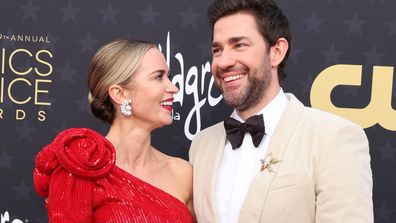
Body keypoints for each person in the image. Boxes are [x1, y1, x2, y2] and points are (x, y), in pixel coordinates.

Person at [189, 0, 373, 222]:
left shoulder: (333, 138)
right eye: (217, 50)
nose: (223, 62)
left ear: (277, 51)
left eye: (239, 45)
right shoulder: (201, 145)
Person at [33, 38, 194, 222]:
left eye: (169, 77)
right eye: (158, 77)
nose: (173, 88)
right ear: (120, 94)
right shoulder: (82, 166)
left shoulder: (182, 173)